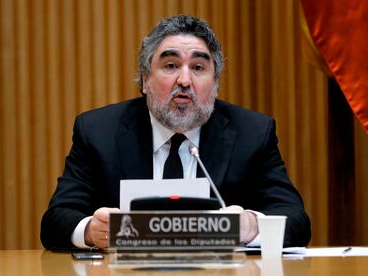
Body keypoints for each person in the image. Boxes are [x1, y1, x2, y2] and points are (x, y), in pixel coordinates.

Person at [41, 15, 311, 249]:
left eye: (198, 68)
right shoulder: (99, 132)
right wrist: (90, 231)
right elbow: (56, 220)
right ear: (145, 79)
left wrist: (251, 226)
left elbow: (296, 219)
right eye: (170, 66)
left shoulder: (252, 133)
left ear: (215, 84)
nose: (184, 80)